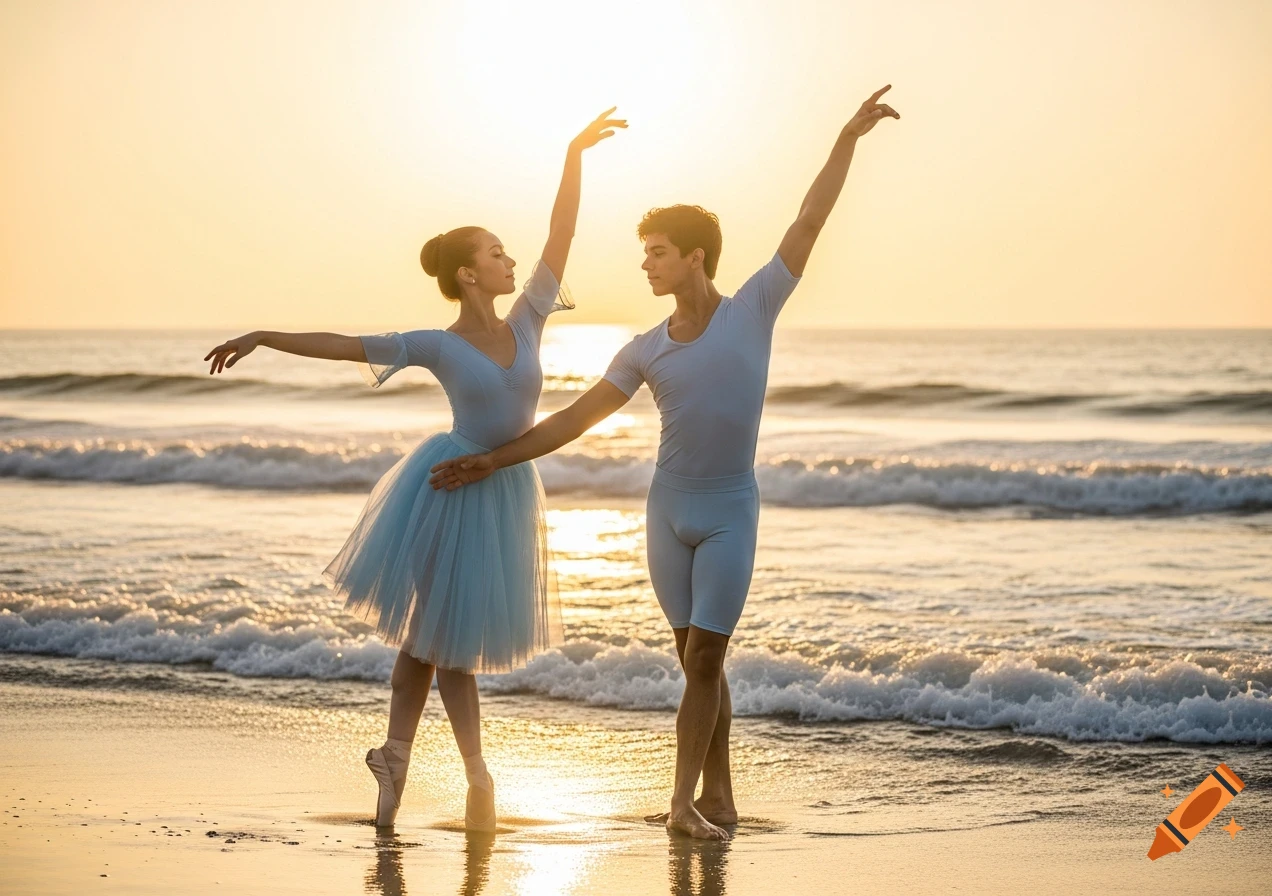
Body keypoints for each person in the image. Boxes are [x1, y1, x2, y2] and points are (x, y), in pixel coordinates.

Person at [429, 86, 899, 840]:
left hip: (728, 512)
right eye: (643, 252)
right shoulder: (643, 348)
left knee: (708, 656)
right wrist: (492, 459)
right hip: (666, 513)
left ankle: (682, 805)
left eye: (656, 252)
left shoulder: (756, 307)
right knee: (697, 665)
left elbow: (810, 218)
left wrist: (847, 135)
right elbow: (576, 420)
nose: (644, 264)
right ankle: (720, 797)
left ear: (695, 258)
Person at [202, 108, 627, 831]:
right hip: (450, 486)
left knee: (443, 646)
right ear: (469, 272)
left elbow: (563, 233)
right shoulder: (435, 341)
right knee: (437, 642)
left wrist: (572, 155)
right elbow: (345, 345)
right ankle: (456, 774)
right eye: (496, 252)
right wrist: (266, 335)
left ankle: (420, 766)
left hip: (503, 485)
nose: (510, 259)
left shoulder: (527, 321)